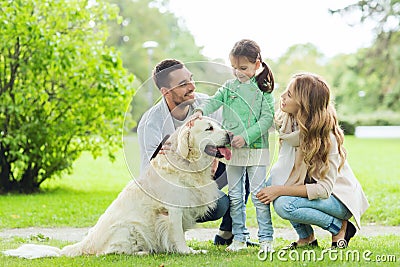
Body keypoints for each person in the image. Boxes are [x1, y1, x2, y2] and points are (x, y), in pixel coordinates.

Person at [136, 59, 253, 246]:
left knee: (245, 166)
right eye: (183, 84)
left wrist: (215, 156)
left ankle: (227, 234)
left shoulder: (205, 104)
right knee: (219, 205)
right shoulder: (151, 123)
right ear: (165, 91)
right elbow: (148, 175)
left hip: (207, 171)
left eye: (191, 79)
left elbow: (227, 135)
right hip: (174, 184)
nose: (192, 86)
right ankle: (172, 232)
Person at [256, 73, 369, 250]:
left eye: (290, 94)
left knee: (284, 204)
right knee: (271, 184)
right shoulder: (289, 120)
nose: (283, 97)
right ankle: (306, 238)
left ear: (304, 105)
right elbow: (263, 121)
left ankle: (340, 227)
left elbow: (324, 189)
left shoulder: (326, 137)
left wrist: (279, 190)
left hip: (338, 199)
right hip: (312, 188)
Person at [193, 39, 275, 253]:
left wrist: (246, 137)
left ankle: (266, 238)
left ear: (257, 64)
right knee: (236, 197)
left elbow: (267, 119)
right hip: (233, 153)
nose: (237, 72)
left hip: (256, 151)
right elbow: (213, 101)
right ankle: (239, 237)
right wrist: (201, 111)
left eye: (243, 68)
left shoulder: (264, 90)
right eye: (234, 67)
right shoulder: (228, 88)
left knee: (258, 195)